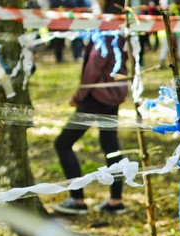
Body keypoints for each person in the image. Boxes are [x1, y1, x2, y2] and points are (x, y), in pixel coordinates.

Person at [52, 0, 129, 215]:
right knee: (110, 145)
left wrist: (79, 95)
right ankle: (116, 200)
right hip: (112, 96)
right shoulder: (120, 28)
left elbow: (95, 64)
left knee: (63, 143)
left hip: (96, 98)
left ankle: (77, 200)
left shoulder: (106, 30)